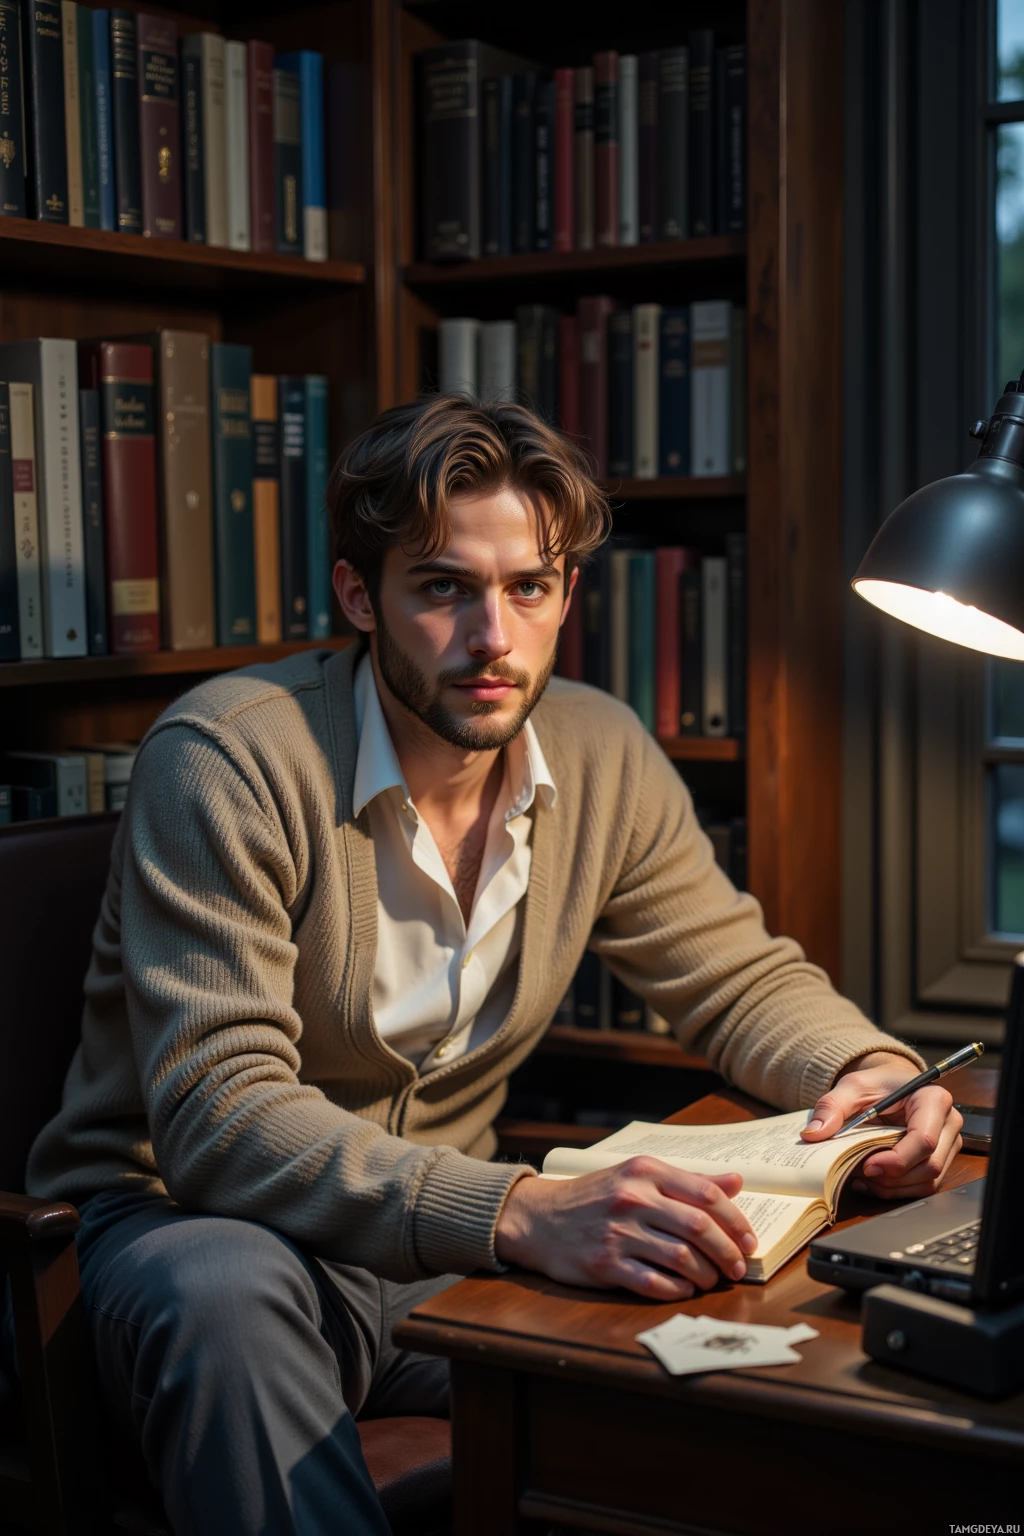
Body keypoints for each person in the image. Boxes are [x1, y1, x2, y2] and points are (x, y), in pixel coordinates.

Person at [25, 396, 962, 1534]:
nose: (492, 639)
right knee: (224, 1289)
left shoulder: (596, 747)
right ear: (359, 597)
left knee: (747, 1340)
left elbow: (733, 975)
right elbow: (219, 1118)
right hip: (184, 1227)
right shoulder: (229, 756)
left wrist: (866, 1071)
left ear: (566, 592)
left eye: (528, 587)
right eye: (442, 589)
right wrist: (519, 1210)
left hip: (428, 1246)